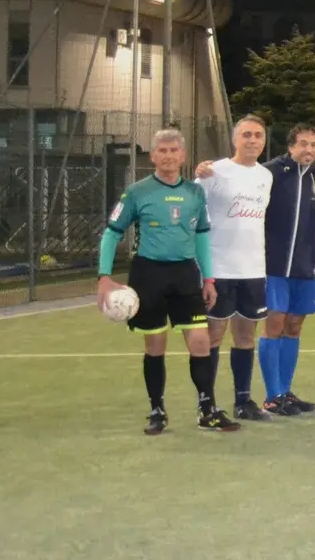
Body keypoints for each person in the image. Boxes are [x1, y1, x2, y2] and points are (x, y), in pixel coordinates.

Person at [98, 128, 238, 433]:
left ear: (183, 156)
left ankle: (207, 409)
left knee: (201, 342)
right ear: (153, 156)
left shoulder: (195, 193)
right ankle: (157, 410)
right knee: (155, 346)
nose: (168, 156)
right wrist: (104, 278)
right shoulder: (136, 192)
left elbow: (201, 237)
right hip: (148, 275)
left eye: (174, 150)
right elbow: (111, 233)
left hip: (186, 275)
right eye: (162, 151)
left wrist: (209, 278)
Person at [245, 124, 315, 416]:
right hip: (273, 267)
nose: (309, 150)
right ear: (291, 146)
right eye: (303, 144)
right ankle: (272, 396)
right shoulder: (270, 173)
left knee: (294, 326)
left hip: (306, 268)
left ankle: (285, 391)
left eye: (314, 145)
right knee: (274, 324)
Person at [197, 115, 276, 420]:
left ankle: (243, 401)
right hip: (219, 269)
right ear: (235, 139)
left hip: (253, 270)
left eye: (258, 135)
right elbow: (195, 211)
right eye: (246, 135)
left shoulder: (265, 176)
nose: (252, 140)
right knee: (213, 336)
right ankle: (208, 403)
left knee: (245, 337)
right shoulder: (213, 171)